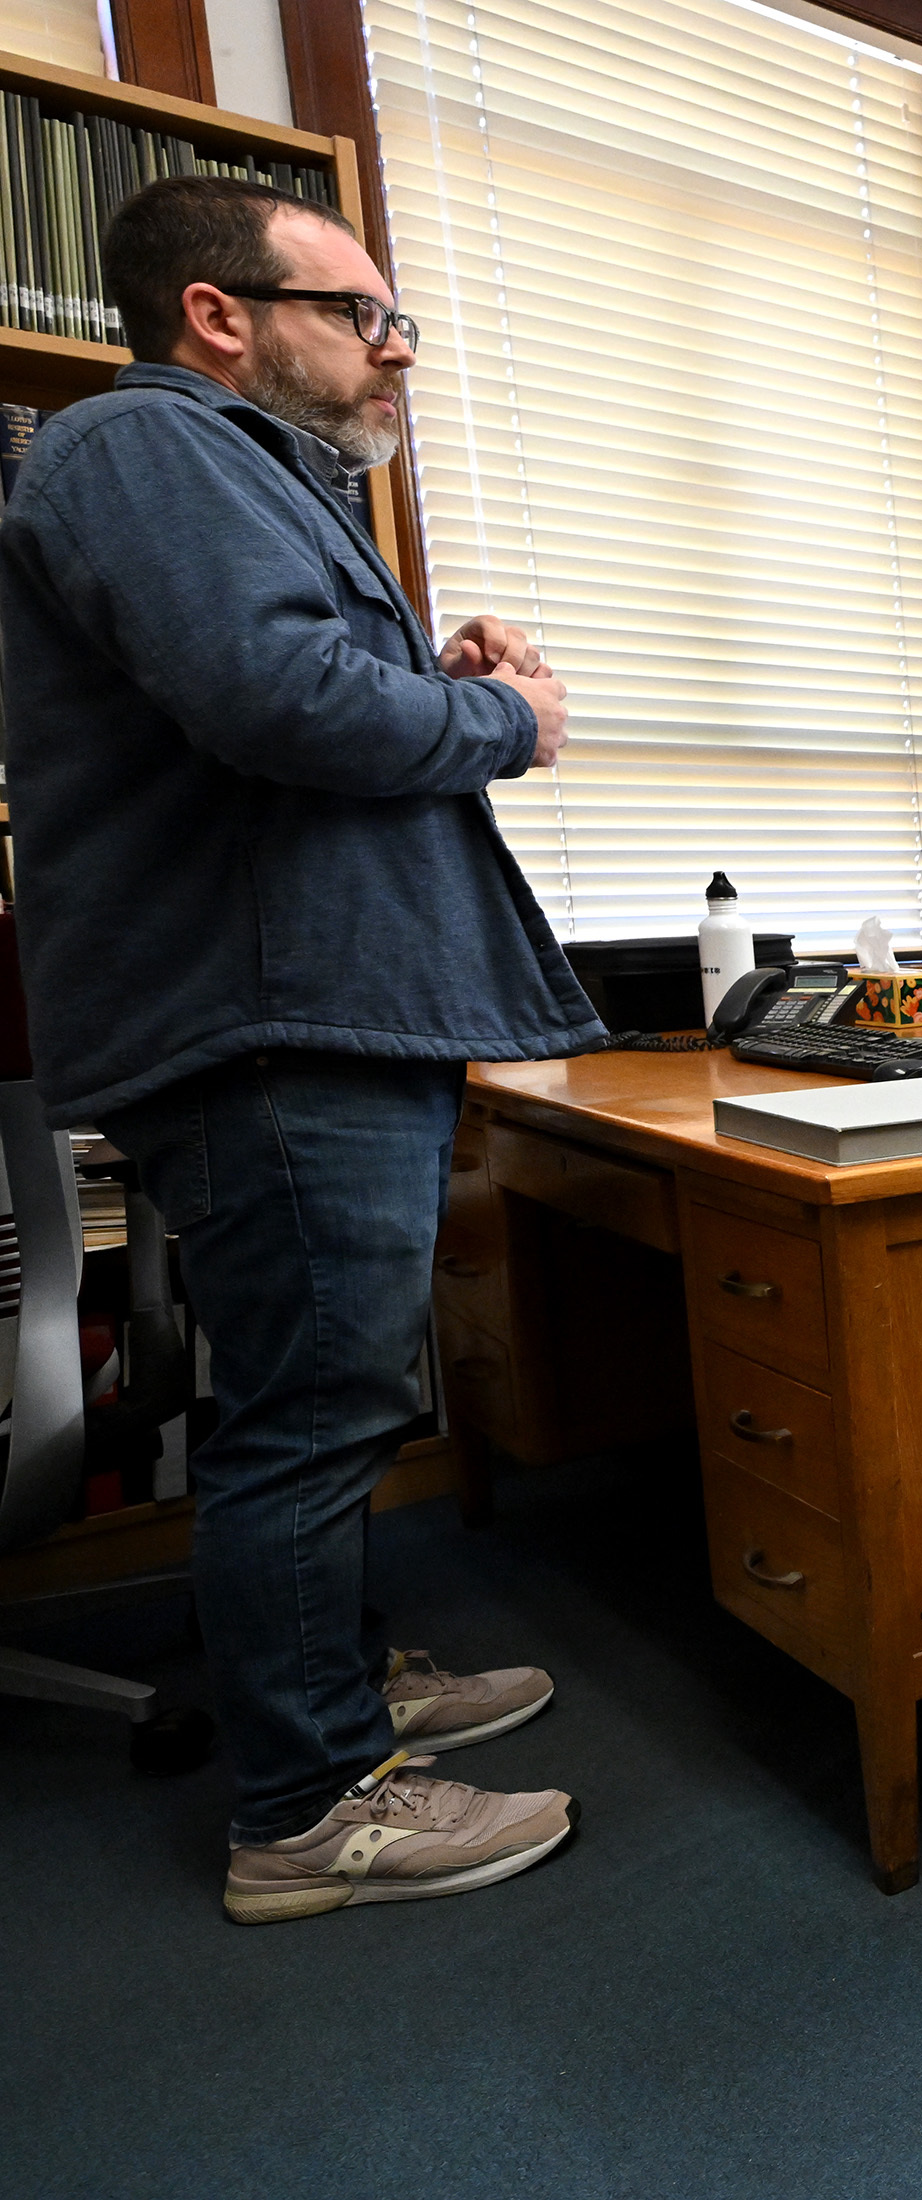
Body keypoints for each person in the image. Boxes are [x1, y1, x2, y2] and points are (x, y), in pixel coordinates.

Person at [1, 175, 606, 1922]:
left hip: (288, 1004)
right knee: (308, 1413)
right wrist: (502, 714)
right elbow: (280, 709)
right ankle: (309, 1808)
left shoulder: (235, 474)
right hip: (268, 1020)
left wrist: (424, 660)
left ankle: (340, 1685)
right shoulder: (145, 450)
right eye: (363, 312)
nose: (391, 347)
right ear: (219, 313)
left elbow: (280, 698)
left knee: (312, 1397)